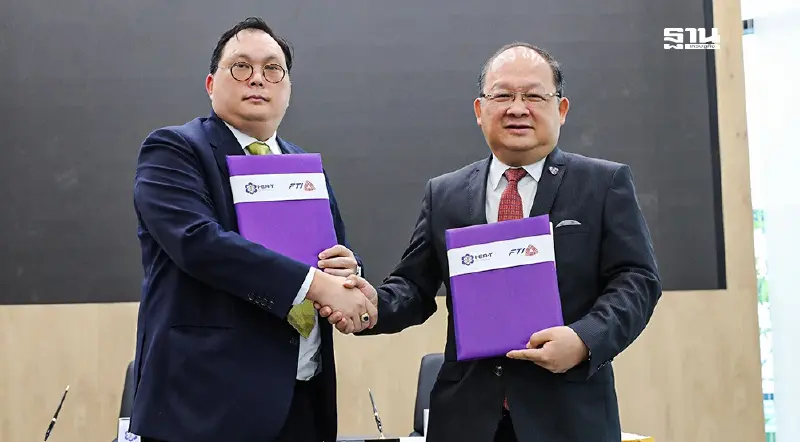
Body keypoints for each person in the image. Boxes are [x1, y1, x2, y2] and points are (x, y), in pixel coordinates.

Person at [324, 42, 662, 441]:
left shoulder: (603, 184)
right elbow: (413, 287)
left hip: (568, 417)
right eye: (502, 95)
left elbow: (637, 280)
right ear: (480, 110)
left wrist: (584, 340)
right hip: (466, 420)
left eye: (533, 96)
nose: (517, 108)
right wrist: (371, 307)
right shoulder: (445, 194)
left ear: (561, 109)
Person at [130, 17, 375, 442]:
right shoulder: (173, 150)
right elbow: (199, 244)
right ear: (211, 84)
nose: (257, 79)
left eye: (272, 69)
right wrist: (318, 285)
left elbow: (333, 254)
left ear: (288, 89)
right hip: (204, 408)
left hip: (300, 400)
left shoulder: (303, 165)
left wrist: (348, 273)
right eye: (241, 66)